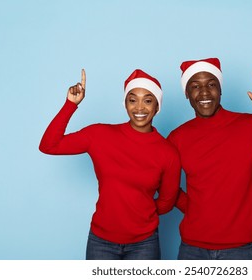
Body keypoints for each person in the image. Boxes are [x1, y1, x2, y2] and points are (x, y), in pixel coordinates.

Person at [167, 57, 252, 260]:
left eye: (211, 84)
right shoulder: (177, 137)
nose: (204, 92)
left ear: (220, 90)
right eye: (195, 86)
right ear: (186, 94)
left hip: (239, 251)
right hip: (192, 250)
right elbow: (164, 183)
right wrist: (193, 208)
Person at [39, 69, 181, 260]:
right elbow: (49, 145)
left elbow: (167, 201)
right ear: (125, 104)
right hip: (101, 241)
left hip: (144, 243)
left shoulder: (167, 152)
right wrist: (70, 105)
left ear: (157, 106)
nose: (140, 107)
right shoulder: (100, 135)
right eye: (133, 100)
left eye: (147, 100)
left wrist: (140, 212)